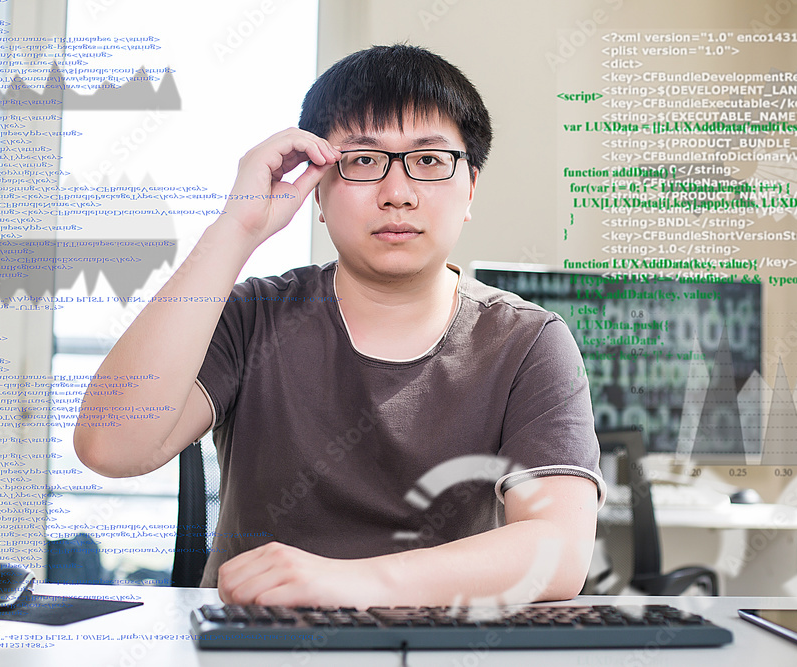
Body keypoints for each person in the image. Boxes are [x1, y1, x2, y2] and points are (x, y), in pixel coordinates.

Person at [74, 44, 604, 608]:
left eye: (428, 161)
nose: (397, 193)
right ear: (318, 191)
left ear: (469, 187)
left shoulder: (527, 341)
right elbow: (109, 446)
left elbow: (558, 550)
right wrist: (238, 227)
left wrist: (348, 583)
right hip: (257, 647)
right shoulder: (254, 317)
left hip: (438, 649)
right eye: (363, 161)